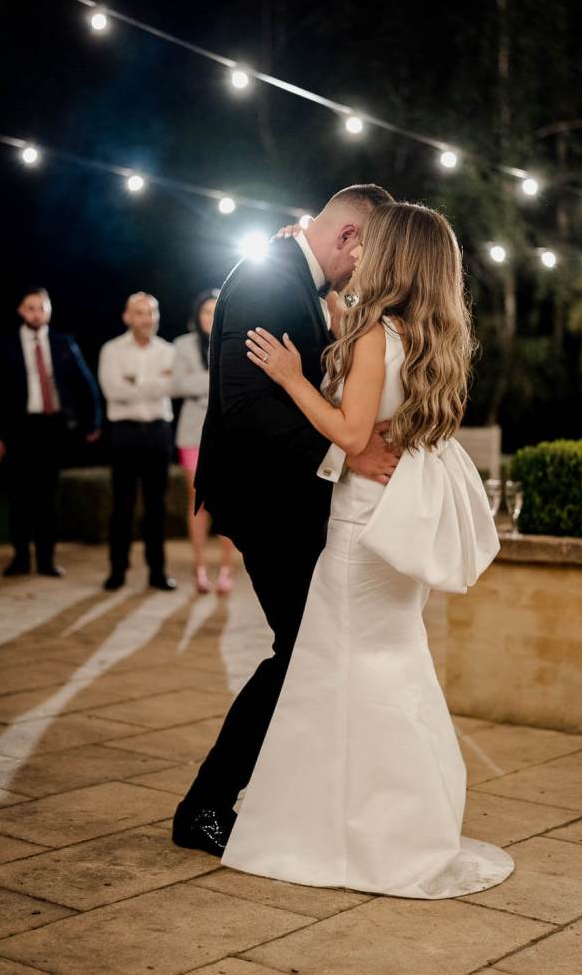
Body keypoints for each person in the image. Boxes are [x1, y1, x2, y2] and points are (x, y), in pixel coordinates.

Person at [220, 201, 514, 898]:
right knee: (391, 662)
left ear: (395, 259)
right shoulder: (431, 337)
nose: (362, 252)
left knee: (347, 668)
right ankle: (396, 824)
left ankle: (360, 833)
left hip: (359, 531)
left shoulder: (374, 336)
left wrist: (292, 378)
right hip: (395, 522)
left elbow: (353, 438)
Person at [172, 183, 399, 855]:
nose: (366, 270)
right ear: (348, 238)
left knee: (310, 648)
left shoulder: (292, 277)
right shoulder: (272, 279)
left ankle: (287, 791)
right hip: (262, 496)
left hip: (281, 492)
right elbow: (246, 405)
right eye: (368, 253)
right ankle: (205, 807)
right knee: (300, 648)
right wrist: (344, 452)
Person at [0, 287, 101, 577]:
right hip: (19, 429)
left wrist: (92, 421)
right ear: (20, 311)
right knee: (19, 496)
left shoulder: (63, 343)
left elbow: (84, 383)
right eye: (31, 307)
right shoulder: (6, 345)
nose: (37, 313)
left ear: (48, 310)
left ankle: (47, 559)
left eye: (42, 307)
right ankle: (21, 557)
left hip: (52, 428)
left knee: (48, 497)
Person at [99, 292, 177, 592]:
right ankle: (117, 571)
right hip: (124, 433)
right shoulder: (112, 349)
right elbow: (114, 391)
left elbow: (174, 385)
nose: (148, 319)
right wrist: (155, 383)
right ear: (127, 317)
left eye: (152, 313)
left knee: (157, 506)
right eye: (141, 313)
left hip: (159, 432)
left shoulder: (169, 351)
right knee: (122, 505)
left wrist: (135, 382)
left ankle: (157, 572)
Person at [172, 290, 235, 594]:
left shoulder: (234, 339)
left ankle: (226, 570)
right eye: (205, 312)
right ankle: (199, 569)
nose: (210, 317)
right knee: (198, 503)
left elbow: (237, 386)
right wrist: (216, 380)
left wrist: (203, 383)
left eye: (215, 311)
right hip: (192, 434)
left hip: (229, 434)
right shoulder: (182, 345)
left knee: (227, 502)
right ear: (198, 316)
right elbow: (179, 384)